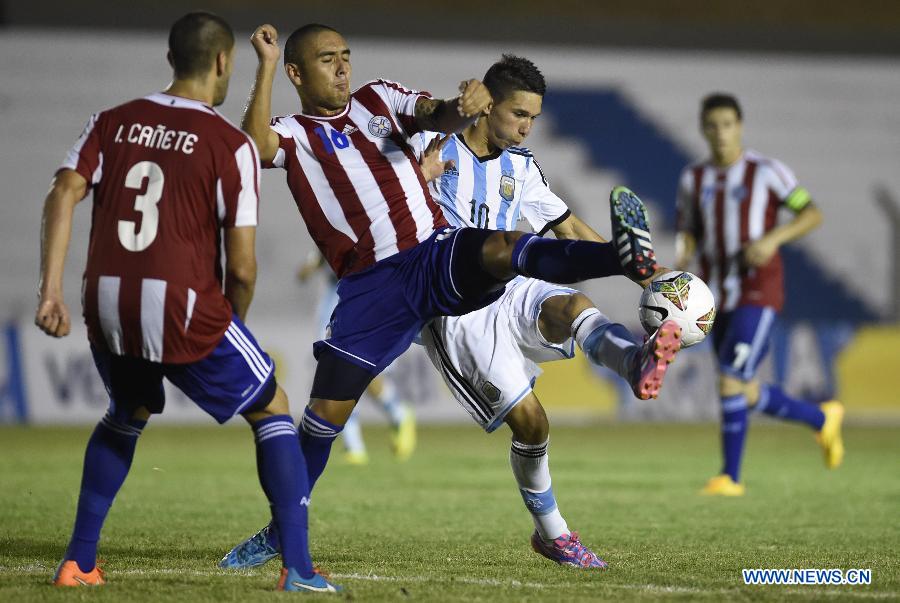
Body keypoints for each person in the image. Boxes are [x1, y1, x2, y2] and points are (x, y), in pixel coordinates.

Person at [219, 23, 660, 569]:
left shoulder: (379, 100)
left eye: (346, 56)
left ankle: (624, 268)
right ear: (296, 73)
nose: (341, 68)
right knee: (324, 419)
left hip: (433, 252)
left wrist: (457, 105)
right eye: (327, 59)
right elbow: (251, 147)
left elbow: (431, 112)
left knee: (512, 252)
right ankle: (283, 528)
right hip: (372, 288)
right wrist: (262, 66)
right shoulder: (295, 132)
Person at [35, 12, 337, 592]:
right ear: (224, 63)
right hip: (182, 305)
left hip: (106, 303)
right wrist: (234, 324)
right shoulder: (230, 144)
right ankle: (297, 570)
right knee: (272, 406)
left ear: (171, 59)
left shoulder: (112, 121)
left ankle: (79, 562)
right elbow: (242, 266)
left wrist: (49, 291)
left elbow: (64, 192)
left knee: (126, 414)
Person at [407, 55, 684, 568]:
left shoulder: (522, 166)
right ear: (486, 105)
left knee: (575, 304)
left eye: (533, 117)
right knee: (533, 425)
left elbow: (569, 229)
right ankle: (552, 533)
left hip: (510, 286)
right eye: (518, 115)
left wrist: (648, 277)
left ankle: (635, 364)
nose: (527, 126)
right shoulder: (435, 151)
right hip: (456, 306)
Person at [674, 93, 844, 497]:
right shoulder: (692, 179)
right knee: (743, 389)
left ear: (740, 126)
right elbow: (689, 230)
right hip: (714, 296)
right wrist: (679, 260)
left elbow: (810, 212)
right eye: (712, 125)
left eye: (728, 124)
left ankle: (729, 477)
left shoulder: (768, 172)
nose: (720, 133)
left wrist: (772, 239)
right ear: (703, 129)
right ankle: (821, 420)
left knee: (731, 381)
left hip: (758, 290)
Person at [297, 253, 416, 465]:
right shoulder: (329, 229)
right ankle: (355, 444)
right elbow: (311, 265)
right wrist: (312, 265)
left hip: (361, 297)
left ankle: (396, 413)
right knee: (341, 372)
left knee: (358, 372)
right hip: (334, 301)